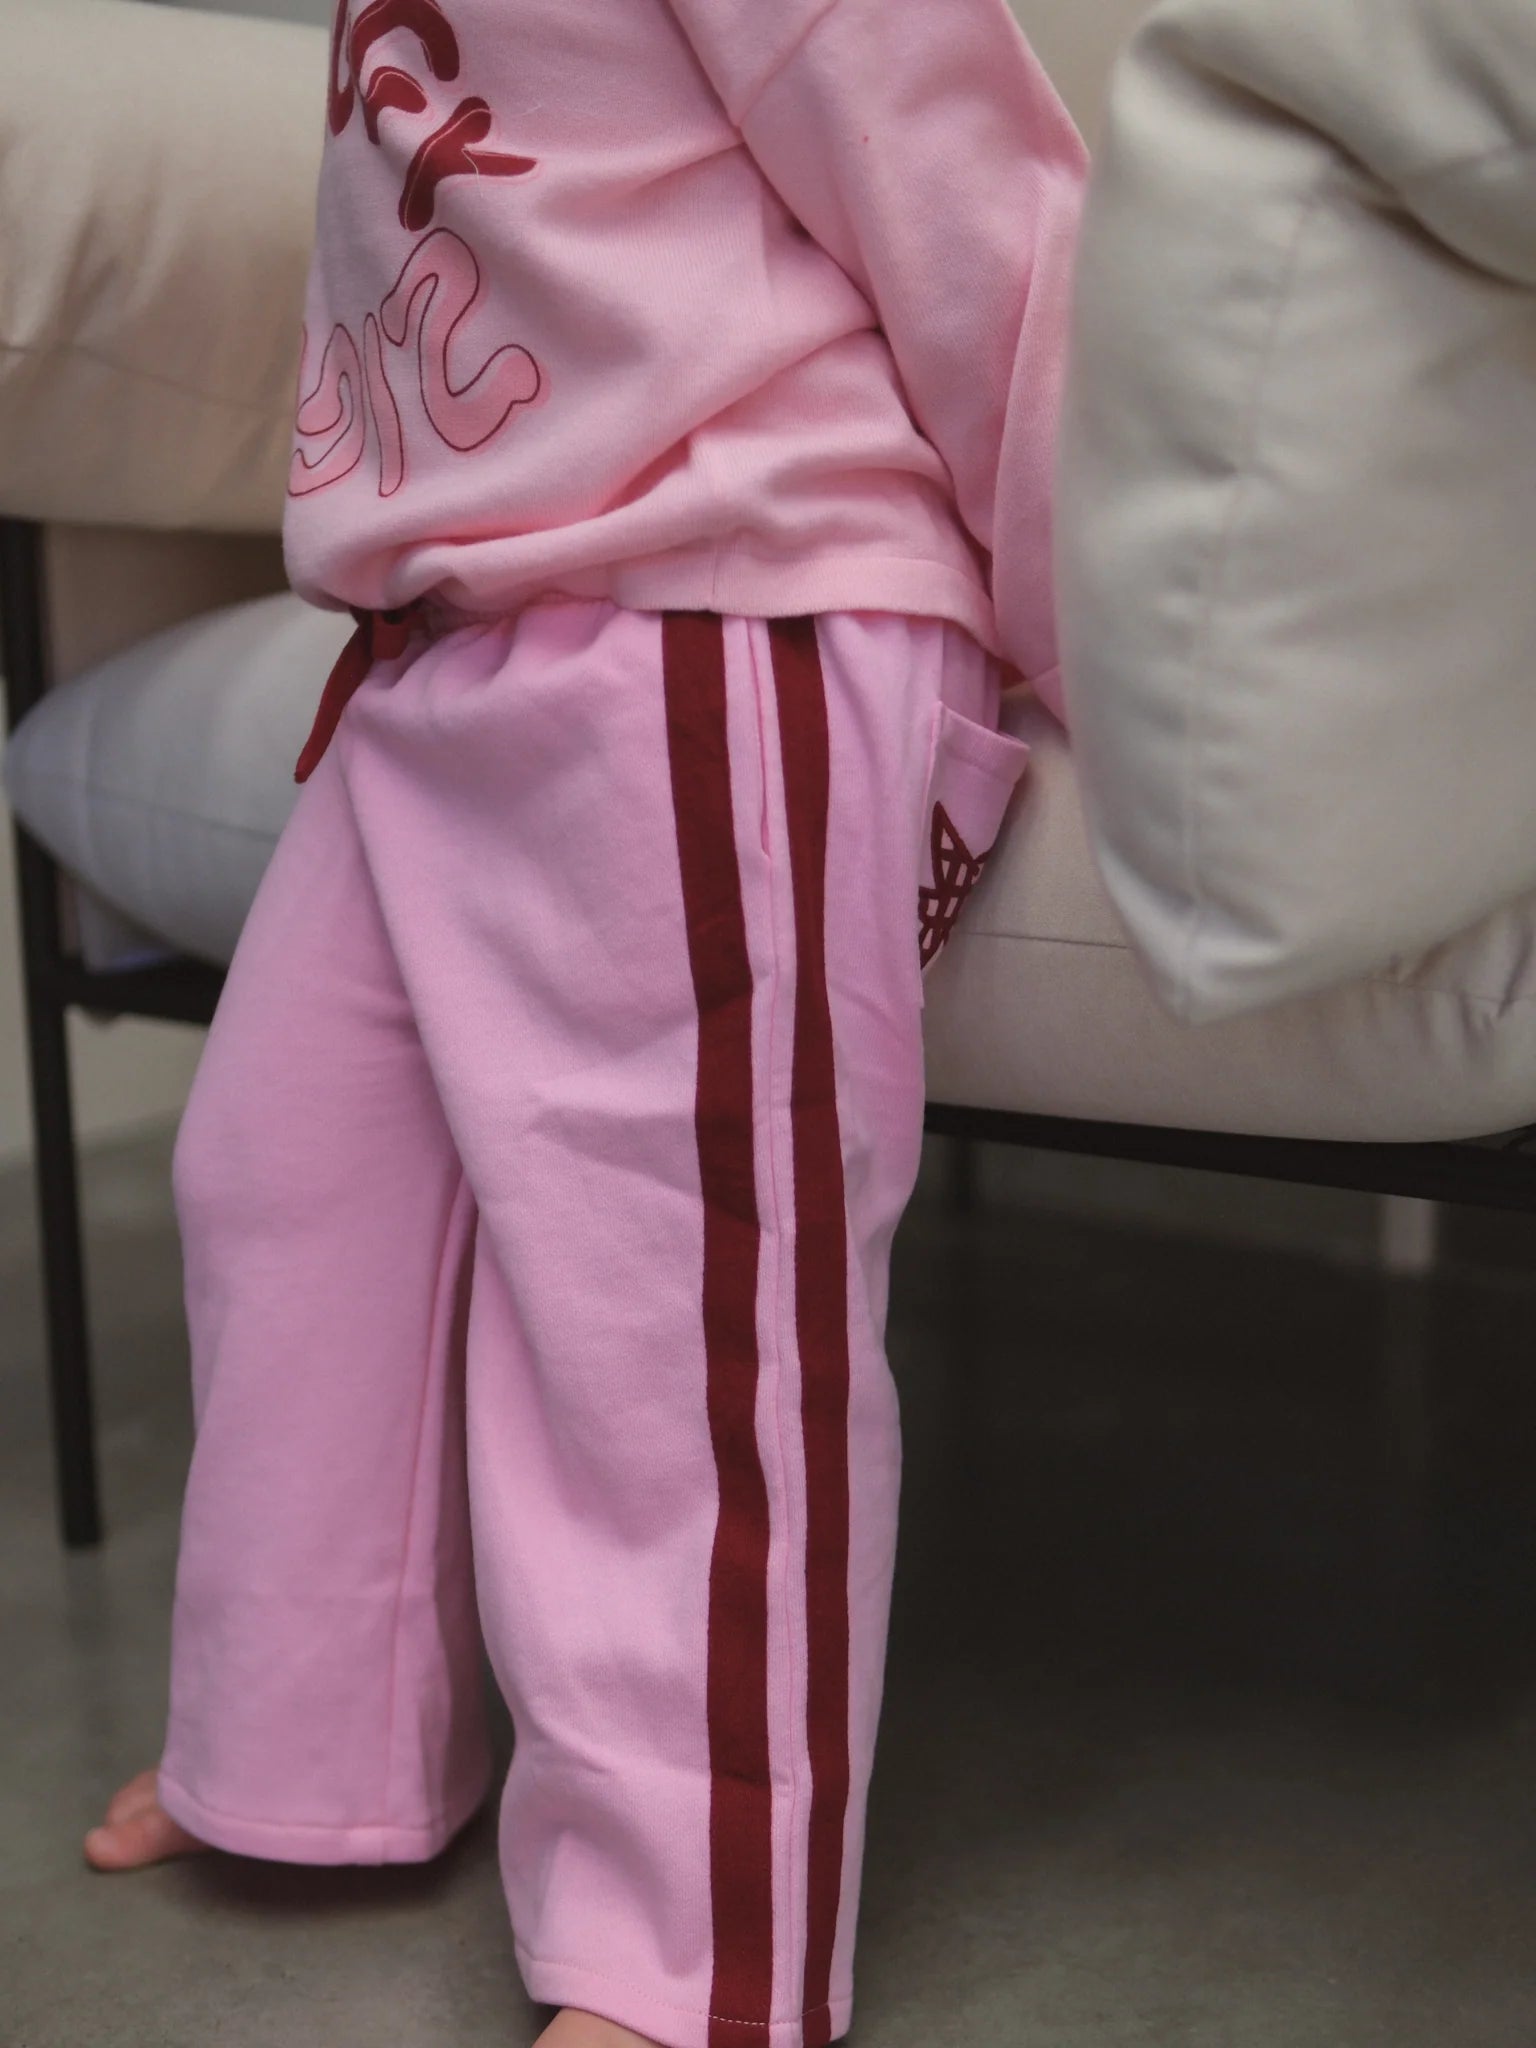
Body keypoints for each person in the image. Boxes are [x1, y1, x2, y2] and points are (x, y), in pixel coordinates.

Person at [84, 3, 1085, 2044]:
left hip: (720, 606)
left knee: (668, 1317)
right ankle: (301, 1744)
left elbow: (990, 223)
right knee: (284, 1179)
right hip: (439, 628)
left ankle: (685, 1949)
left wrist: (1111, 661)